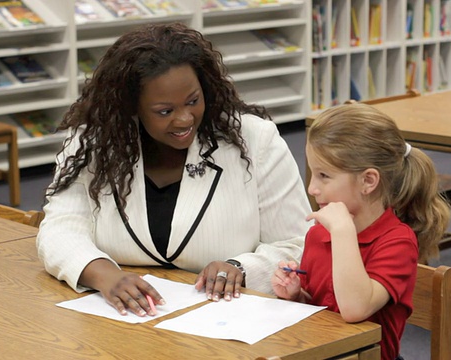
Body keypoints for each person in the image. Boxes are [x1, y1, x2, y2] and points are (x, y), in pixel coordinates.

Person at [37, 22, 311, 318]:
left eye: (193, 101)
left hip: (226, 321)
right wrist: (104, 275)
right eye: (164, 111)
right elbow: (59, 227)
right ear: (132, 107)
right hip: (118, 323)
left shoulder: (255, 140)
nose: (184, 119)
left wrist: (242, 268)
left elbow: (296, 243)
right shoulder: (93, 143)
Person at [271, 103, 451, 360]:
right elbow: (321, 311)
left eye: (324, 176)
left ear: (368, 181)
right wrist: (297, 295)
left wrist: (343, 231)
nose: (312, 188)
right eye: (313, 174)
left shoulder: (397, 242)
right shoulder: (319, 234)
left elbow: (355, 309)